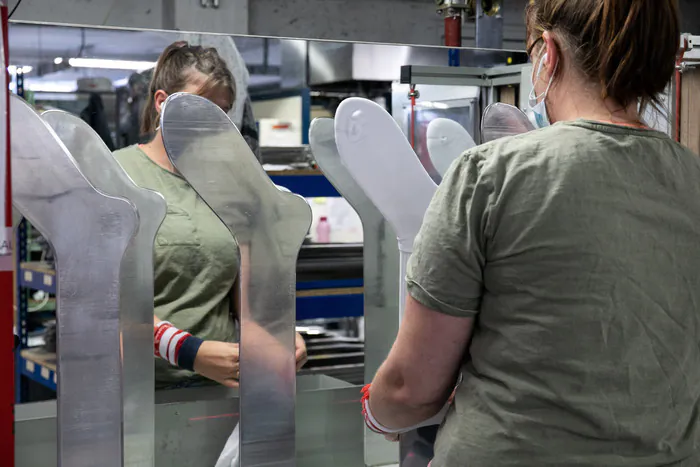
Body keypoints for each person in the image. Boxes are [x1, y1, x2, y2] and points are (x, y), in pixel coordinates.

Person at [362, 0, 700, 465]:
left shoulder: (490, 173)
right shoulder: (692, 180)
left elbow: (410, 388)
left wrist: (376, 415)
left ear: (549, 54)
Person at [114, 41, 307, 390]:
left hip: (221, 387)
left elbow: (244, 298)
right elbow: (101, 302)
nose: (212, 124)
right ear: (162, 102)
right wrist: (190, 352)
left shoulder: (231, 184)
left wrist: (276, 333)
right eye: (200, 107)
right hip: (139, 393)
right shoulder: (116, 175)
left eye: (222, 112)